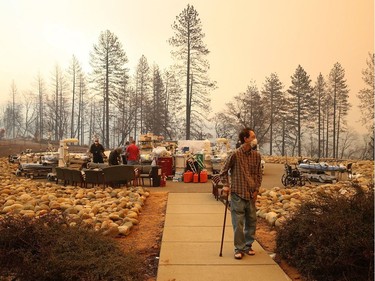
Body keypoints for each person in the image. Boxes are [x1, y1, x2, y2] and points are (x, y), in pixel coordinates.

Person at [219, 128, 262, 260]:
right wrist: (226, 185)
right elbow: (223, 171)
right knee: (238, 223)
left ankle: (248, 245)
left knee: (252, 221)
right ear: (245, 139)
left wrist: (256, 190)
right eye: (253, 136)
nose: (255, 139)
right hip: (238, 193)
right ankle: (239, 248)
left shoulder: (257, 156)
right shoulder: (235, 154)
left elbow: (259, 174)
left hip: (251, 194)